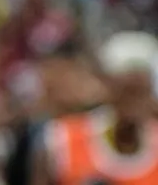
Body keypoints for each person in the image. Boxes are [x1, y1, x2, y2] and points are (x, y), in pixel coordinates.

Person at [32, 31, 158, 185]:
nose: (133, 106)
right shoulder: (62, 140)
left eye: (140, 93)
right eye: (126, 93)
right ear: (108, 88)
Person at [4, 40, 103, 185]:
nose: (56, 83)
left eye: (64, 74)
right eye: (50, 74)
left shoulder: (97, 123)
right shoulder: (33, 128)